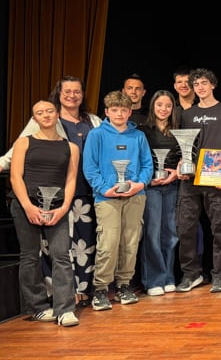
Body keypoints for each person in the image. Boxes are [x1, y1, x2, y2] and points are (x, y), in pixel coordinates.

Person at [0, 76, 102, 307]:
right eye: (67, 91)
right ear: (59, 94)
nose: (72, 95)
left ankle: (83, 292)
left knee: (83, 246)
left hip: (85, 191)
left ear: (83, 95)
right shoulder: (45, 117)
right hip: (53, 197)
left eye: (77, 91)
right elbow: (19, 148)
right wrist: (2, 162)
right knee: (49, 250)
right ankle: (56, 296)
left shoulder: (94, 120)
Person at [9, 100, 80, 327]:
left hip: (57, 205)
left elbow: (70, 180)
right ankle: (37, 307)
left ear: (57, 114)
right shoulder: (23, 143)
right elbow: (15, 177)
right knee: (29, 256)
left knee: (61, 254)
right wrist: (28, 207)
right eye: (40, 113)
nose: (46, 115)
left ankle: (65, 309)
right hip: (24, 204)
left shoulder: (70, 147)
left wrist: (64, 207)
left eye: (49, 111)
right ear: (35, 118)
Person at [83, 91, 153, 310]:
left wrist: (139, 184)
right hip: (107, 198)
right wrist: (105, 188)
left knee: (130, 242)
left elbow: (147, 165)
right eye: (115, 110)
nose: (119, 114)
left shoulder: (138, 136)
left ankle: (124, 285)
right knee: (108, 243)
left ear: (130, 111)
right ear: (107, 112)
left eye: (124, 110)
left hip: (135, 196)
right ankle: (101, 289)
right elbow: (90, 167)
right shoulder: (97, 135)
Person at [176, 68, 221, 294]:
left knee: (220, 230)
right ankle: (191, 274)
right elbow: (184, 146)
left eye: (204, 83)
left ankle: (218, 276)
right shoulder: (187, 114)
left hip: (216, 179)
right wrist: (180, 166)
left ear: (213, 85)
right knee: (185, 229)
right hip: (191, 181)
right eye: (196, 85)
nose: (200, 88)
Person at [138, 90, 182, 296]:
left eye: (168, 106)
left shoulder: (178, 130)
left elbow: (186, 156)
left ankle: (169, 277)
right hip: (151, 187)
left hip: (173, 186)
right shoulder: (143, 131)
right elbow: (138, 159)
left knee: (171, 234)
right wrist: (149, 178)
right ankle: (154, 280)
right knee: (152, 234)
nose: (163, 109)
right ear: (153, 106)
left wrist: (176, 173)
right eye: (159, 105)